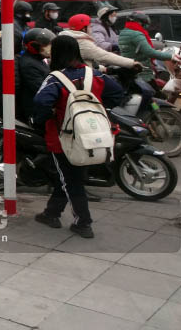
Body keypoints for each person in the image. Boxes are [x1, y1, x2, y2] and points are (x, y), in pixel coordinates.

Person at [32, 34, 123, 239]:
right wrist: (97, 106)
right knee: (70, 177)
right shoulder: (95, 74)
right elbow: (118, 93)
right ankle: (51, 213)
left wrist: (47, 118)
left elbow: (40, 103)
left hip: (63, 137)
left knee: (71, 180)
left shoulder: (55, 78)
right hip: (92, 135)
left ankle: (83, 222)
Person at [119, 11, 180, 84]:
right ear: (140, 22)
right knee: (154, 93)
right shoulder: (136, 34)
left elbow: (136, 50)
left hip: (130, 69)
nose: (146, 26)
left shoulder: (124, 32)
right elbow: (149, 52)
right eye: (145, 23)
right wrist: (171, 56)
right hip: (142, 71)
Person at [61, 14, 139, 70]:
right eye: (89, 26)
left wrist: (103, 69)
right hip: (84, 77)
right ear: (84, 29)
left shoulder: (66, 38)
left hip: (79, 72)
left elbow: (86, 62)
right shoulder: (82, 42)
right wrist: (131, 63)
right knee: (116, 90)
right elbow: (104, 56)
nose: (91, 28)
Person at [17, 28, 56, 121]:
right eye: (46, 45)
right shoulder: (29, 64)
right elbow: (41, 88)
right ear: (34, 46)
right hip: (36, 111)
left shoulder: (38, 60)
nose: (50, 47)